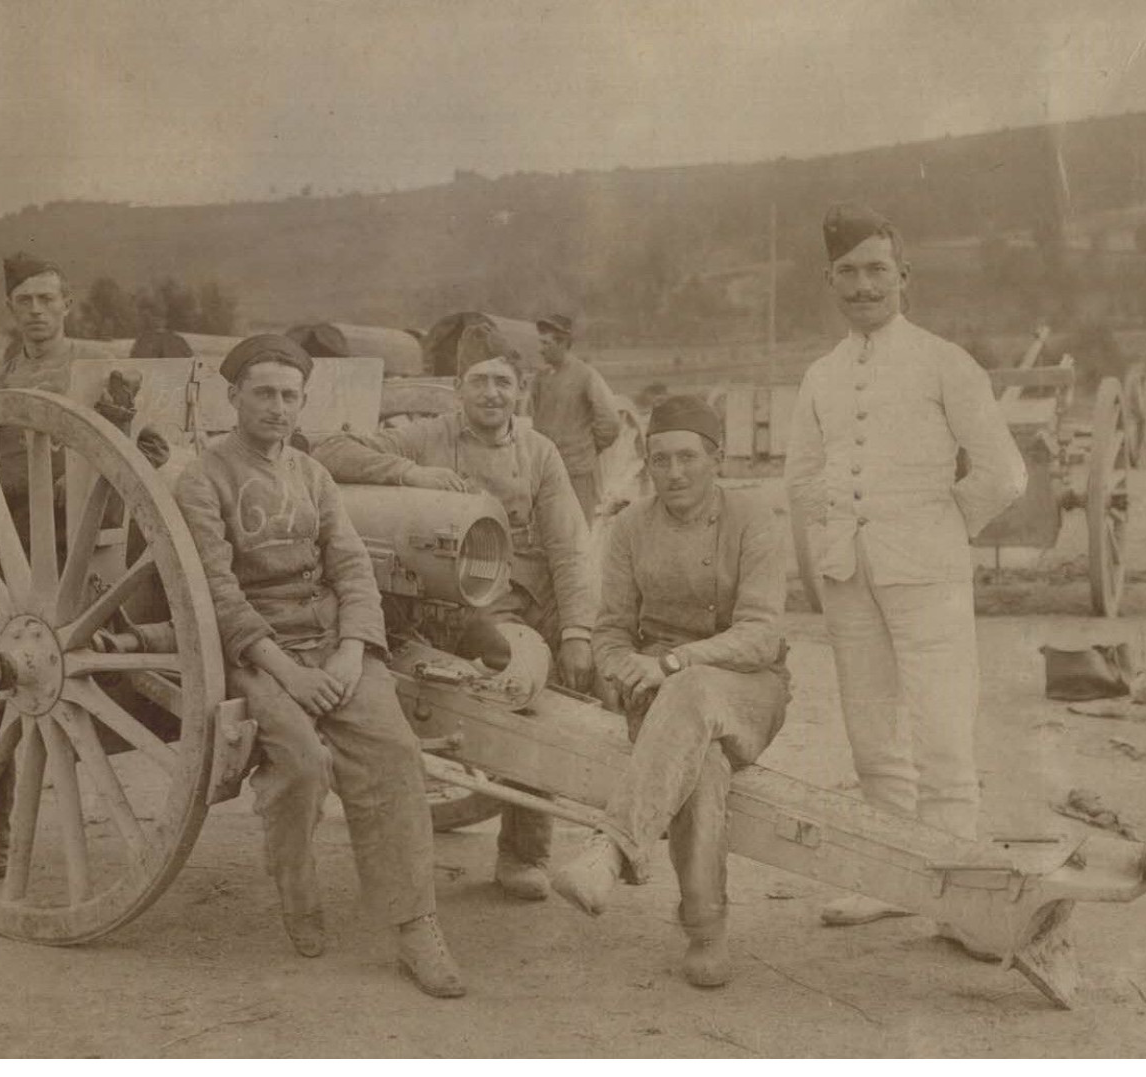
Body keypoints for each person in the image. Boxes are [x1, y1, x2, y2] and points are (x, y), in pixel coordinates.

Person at [173, 335, 465, 998]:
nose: (276, 408)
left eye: (288, 396)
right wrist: (288, 672)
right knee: (302, 764)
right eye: (263, 394)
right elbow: (216, 592)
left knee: (392, 752)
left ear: (302, 403)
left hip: (330, 641)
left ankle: (415, 926)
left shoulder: (313, 475)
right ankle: (297, 889)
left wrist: (351, 650)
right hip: (255, 651)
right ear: (234, 398)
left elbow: (352, 566)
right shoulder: (204, 476)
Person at [785, 204, 1026, 954]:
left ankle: (957, 891)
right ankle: (888, 880)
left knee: (942, 729)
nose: (862, 285)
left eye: (876, 271)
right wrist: (825, 554)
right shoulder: (820, 375)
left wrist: (939, 524)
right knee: (871, 736)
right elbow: (801, 476)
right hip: (848, 575)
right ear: (829, 281)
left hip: (928, 573)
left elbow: (1004, 474)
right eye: (847, 273)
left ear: (902, 277)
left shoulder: (943, 361)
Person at [312, 323, 596, 901]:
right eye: (478, 382)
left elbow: (569, 547)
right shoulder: (428, 437)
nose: (491, 393)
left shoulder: (539, 454)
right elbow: (330, 451)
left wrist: (577, 630)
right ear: (458, 390)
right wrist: (410, 473)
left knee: (535, 693)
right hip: (437, 608)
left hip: (518, 604)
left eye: (503, 382)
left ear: (521, 391)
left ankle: (524, 853)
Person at [550, 395, 790, 988]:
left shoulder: (754, 520)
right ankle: (705, 929)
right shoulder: (631, 527)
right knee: (701, 764)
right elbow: (609, 629)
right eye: (661, 460)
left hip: (747, 689)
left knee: (696, 689)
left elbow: (762, 635)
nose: (674, 472)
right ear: (648, 466)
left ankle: (613, 847)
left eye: (688, 457)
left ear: (717, 459)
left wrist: (679, 661)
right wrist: (623, 666)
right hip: (657, 691)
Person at [0, 253, 111, 878]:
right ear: (11, 309)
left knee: (25, 688)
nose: (36, 311)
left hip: (66, 548)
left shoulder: (96, 370)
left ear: (67, 303)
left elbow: (145, 448)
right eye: (24, 301)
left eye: (46, 299)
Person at [528, 313, 621, 520]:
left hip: (576, 471)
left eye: (546, 343)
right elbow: (533, 418)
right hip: (545, 468)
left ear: (562, 343)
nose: (540, 349)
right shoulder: (541, 378)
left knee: (577, 528)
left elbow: (611, 422)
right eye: (540, 342)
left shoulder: (586, 375)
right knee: (548, 528)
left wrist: (588, 447)